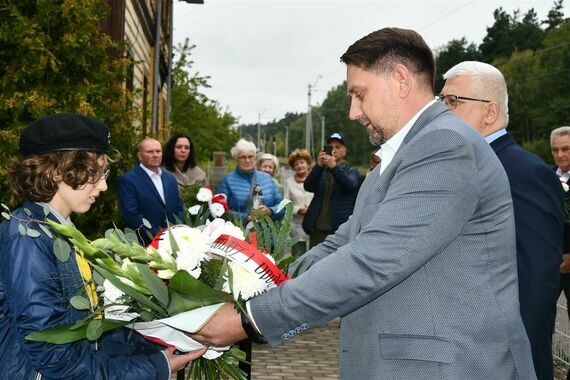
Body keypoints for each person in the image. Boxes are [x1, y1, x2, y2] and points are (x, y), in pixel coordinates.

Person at [190, 27, 535, 379]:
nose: (353, 111)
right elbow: (346, 240)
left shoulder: (445, 145)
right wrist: (255, 280)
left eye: (359, 94)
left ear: (400, 80)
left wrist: (251, 320)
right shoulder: (401, 153)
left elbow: (372, 260)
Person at [0, 113, 205, 379]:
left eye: (103, 173)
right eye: (94, 173)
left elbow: (88, 332)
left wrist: (164, 341)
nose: (104, 185)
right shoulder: (27, 238)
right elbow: (54, 356)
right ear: (54, 172)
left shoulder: (59, 231)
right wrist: (154, 367)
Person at [441, 61, 564, 380]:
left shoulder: (524, 173)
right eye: (441, 101)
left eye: (453, 101)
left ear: (490, 112)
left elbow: (535, 280)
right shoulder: (457, 166)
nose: (442, 111)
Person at [117, 137, 184, 245]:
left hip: (173, 242)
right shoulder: (128, 180)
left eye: (158, 151)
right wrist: (159, 237)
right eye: (150, 151)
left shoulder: (170, 178)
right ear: (140, 156)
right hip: (143, 243)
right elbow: (132, 215)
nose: (155, 155)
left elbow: (179, 208)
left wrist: (178, 230)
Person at [302, 132, 359, 248]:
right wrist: (318, 165)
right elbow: (308, 186)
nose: (334, 150)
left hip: (338, 230)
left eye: (338, 147)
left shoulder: (351, 170)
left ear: (344, 151)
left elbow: (349, 187)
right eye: (330, 147)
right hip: (317, 228)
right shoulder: (320, 169)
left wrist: (334, 167)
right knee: (314, 263)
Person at [217, 139, 284, 223]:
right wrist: (246, 217)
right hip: (239, 233)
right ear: (236, 159)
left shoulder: (267, 179)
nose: (247, 160)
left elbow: (282, 206)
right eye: (243, 157)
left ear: (255, 158)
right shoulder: (228, 181)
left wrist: (270, 211)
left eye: (250, 156)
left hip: (266, 233)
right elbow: (218, 209)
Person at [551, 127, 570, 325]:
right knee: (541, 317)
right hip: (550, 263)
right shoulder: (546, 176)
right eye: (555, 150)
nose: (560, 155)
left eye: (566, 149)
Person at [284, 149, 314, 256]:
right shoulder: (289, 182)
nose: (299, 166)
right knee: (298, 256)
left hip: (314, 225)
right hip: (297, 226)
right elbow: (286, 204)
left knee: (313, 255)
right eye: (296, 164)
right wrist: (297, 210)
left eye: (302, 162)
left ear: (308, 164)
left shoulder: (316, 178)